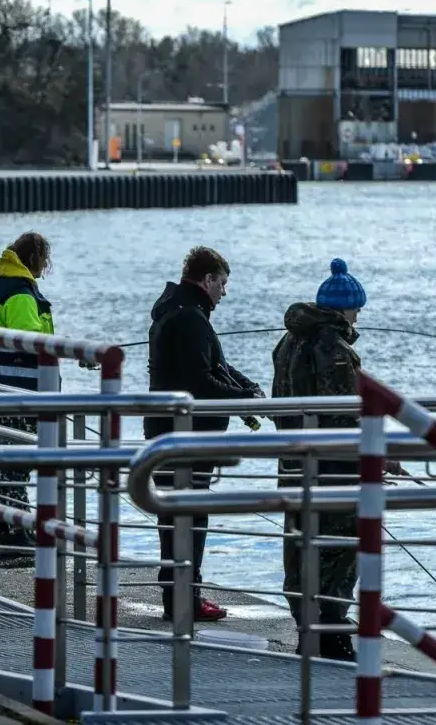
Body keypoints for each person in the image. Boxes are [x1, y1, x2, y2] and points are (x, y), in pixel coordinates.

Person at [145, 246, 266, 622]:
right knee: (189, 518)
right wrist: (244, 398)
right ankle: (185, 601)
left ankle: (182, 596)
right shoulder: (189, 319)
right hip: (185, 438)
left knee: (180, 517)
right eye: (222, 284)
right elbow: (201, 382)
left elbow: (217, 366)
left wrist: (247, 388)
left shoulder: (182, 311)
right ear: (208, 279)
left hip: (171, 434)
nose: (224, 293)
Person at [271, 257, 370, 662]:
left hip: (293, 464)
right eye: (357, 309)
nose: (358, 316)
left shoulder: (287, 342)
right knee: (342, 549)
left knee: (298, 546)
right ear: (347, 308)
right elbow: (345, 414)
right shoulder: (335, 349)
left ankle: (306, 627)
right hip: (335, 471)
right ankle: (331, 630)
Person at [0, 231, 58, 568]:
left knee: (10, 462)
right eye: (45, 259)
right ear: (34, 257)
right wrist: (64, 347)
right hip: (18, 391)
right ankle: (13, 535)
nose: (46, 267)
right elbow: (30, 340)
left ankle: (15, 527)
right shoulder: (20, 294)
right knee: (17, 463)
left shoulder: (1, 288)